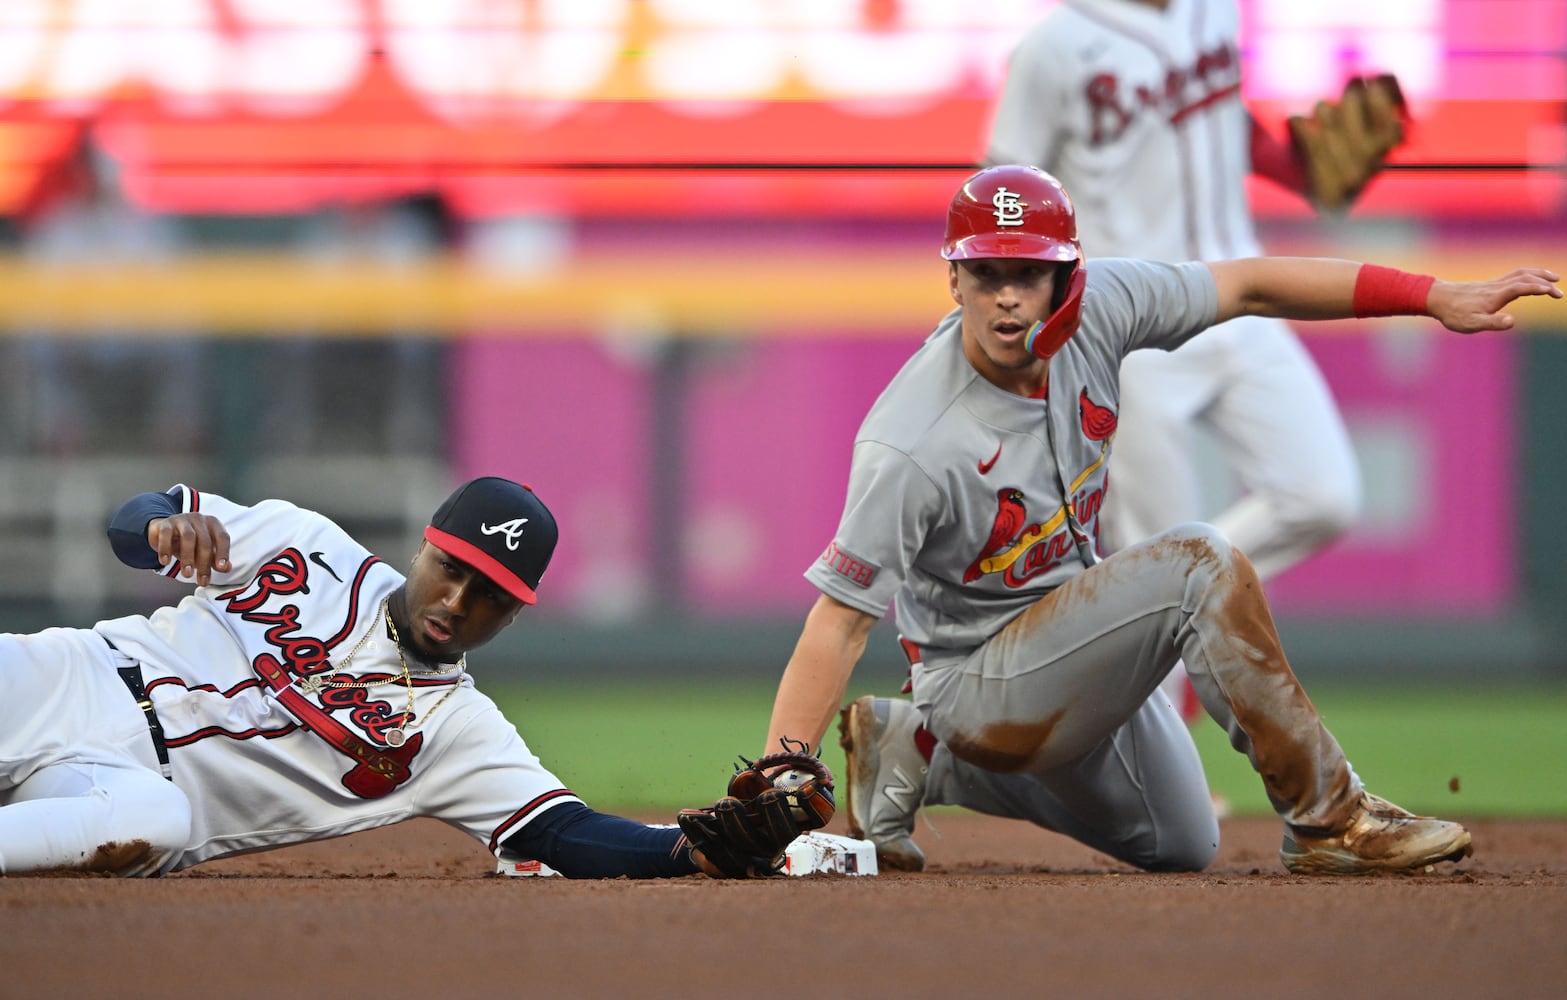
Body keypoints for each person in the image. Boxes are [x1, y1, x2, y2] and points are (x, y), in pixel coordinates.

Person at [763, 164, 1560, 874]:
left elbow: (1248, 285)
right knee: (1196, 563)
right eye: (983, 272)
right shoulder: (912, 441)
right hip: (973, 678)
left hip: (1071, 647)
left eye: (1028, 274)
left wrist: (1431, 297)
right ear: (955, 281)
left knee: (1181, 843)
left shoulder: (1104, 306)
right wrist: (781, 774)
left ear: (1067, 277)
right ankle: (1332, 818)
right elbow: (838, 620)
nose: (1006, 295)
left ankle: (915, 753)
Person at [984, 0, 1387, 730]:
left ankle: (1184, 603)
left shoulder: (1214, 11)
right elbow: (1005, 190)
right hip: (1129, 321)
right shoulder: (1056, 44)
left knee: (1320, 497)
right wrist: (1025, 328)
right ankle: (1152, 776)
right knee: (1152, 550)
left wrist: (1293, 167)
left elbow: (1220, 120)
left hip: (1239, 296)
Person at [0, 475, 717, 878]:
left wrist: (696, 849)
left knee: (157, 824)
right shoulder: (305, 542)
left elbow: (563, 833)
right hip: (73, 677)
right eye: (451, 570)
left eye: (489, 595)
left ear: (514, 615)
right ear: (423, 549)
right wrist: (160, 528)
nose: (456, 603)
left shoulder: (458, 732)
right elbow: (135, 518)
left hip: (122, 790)